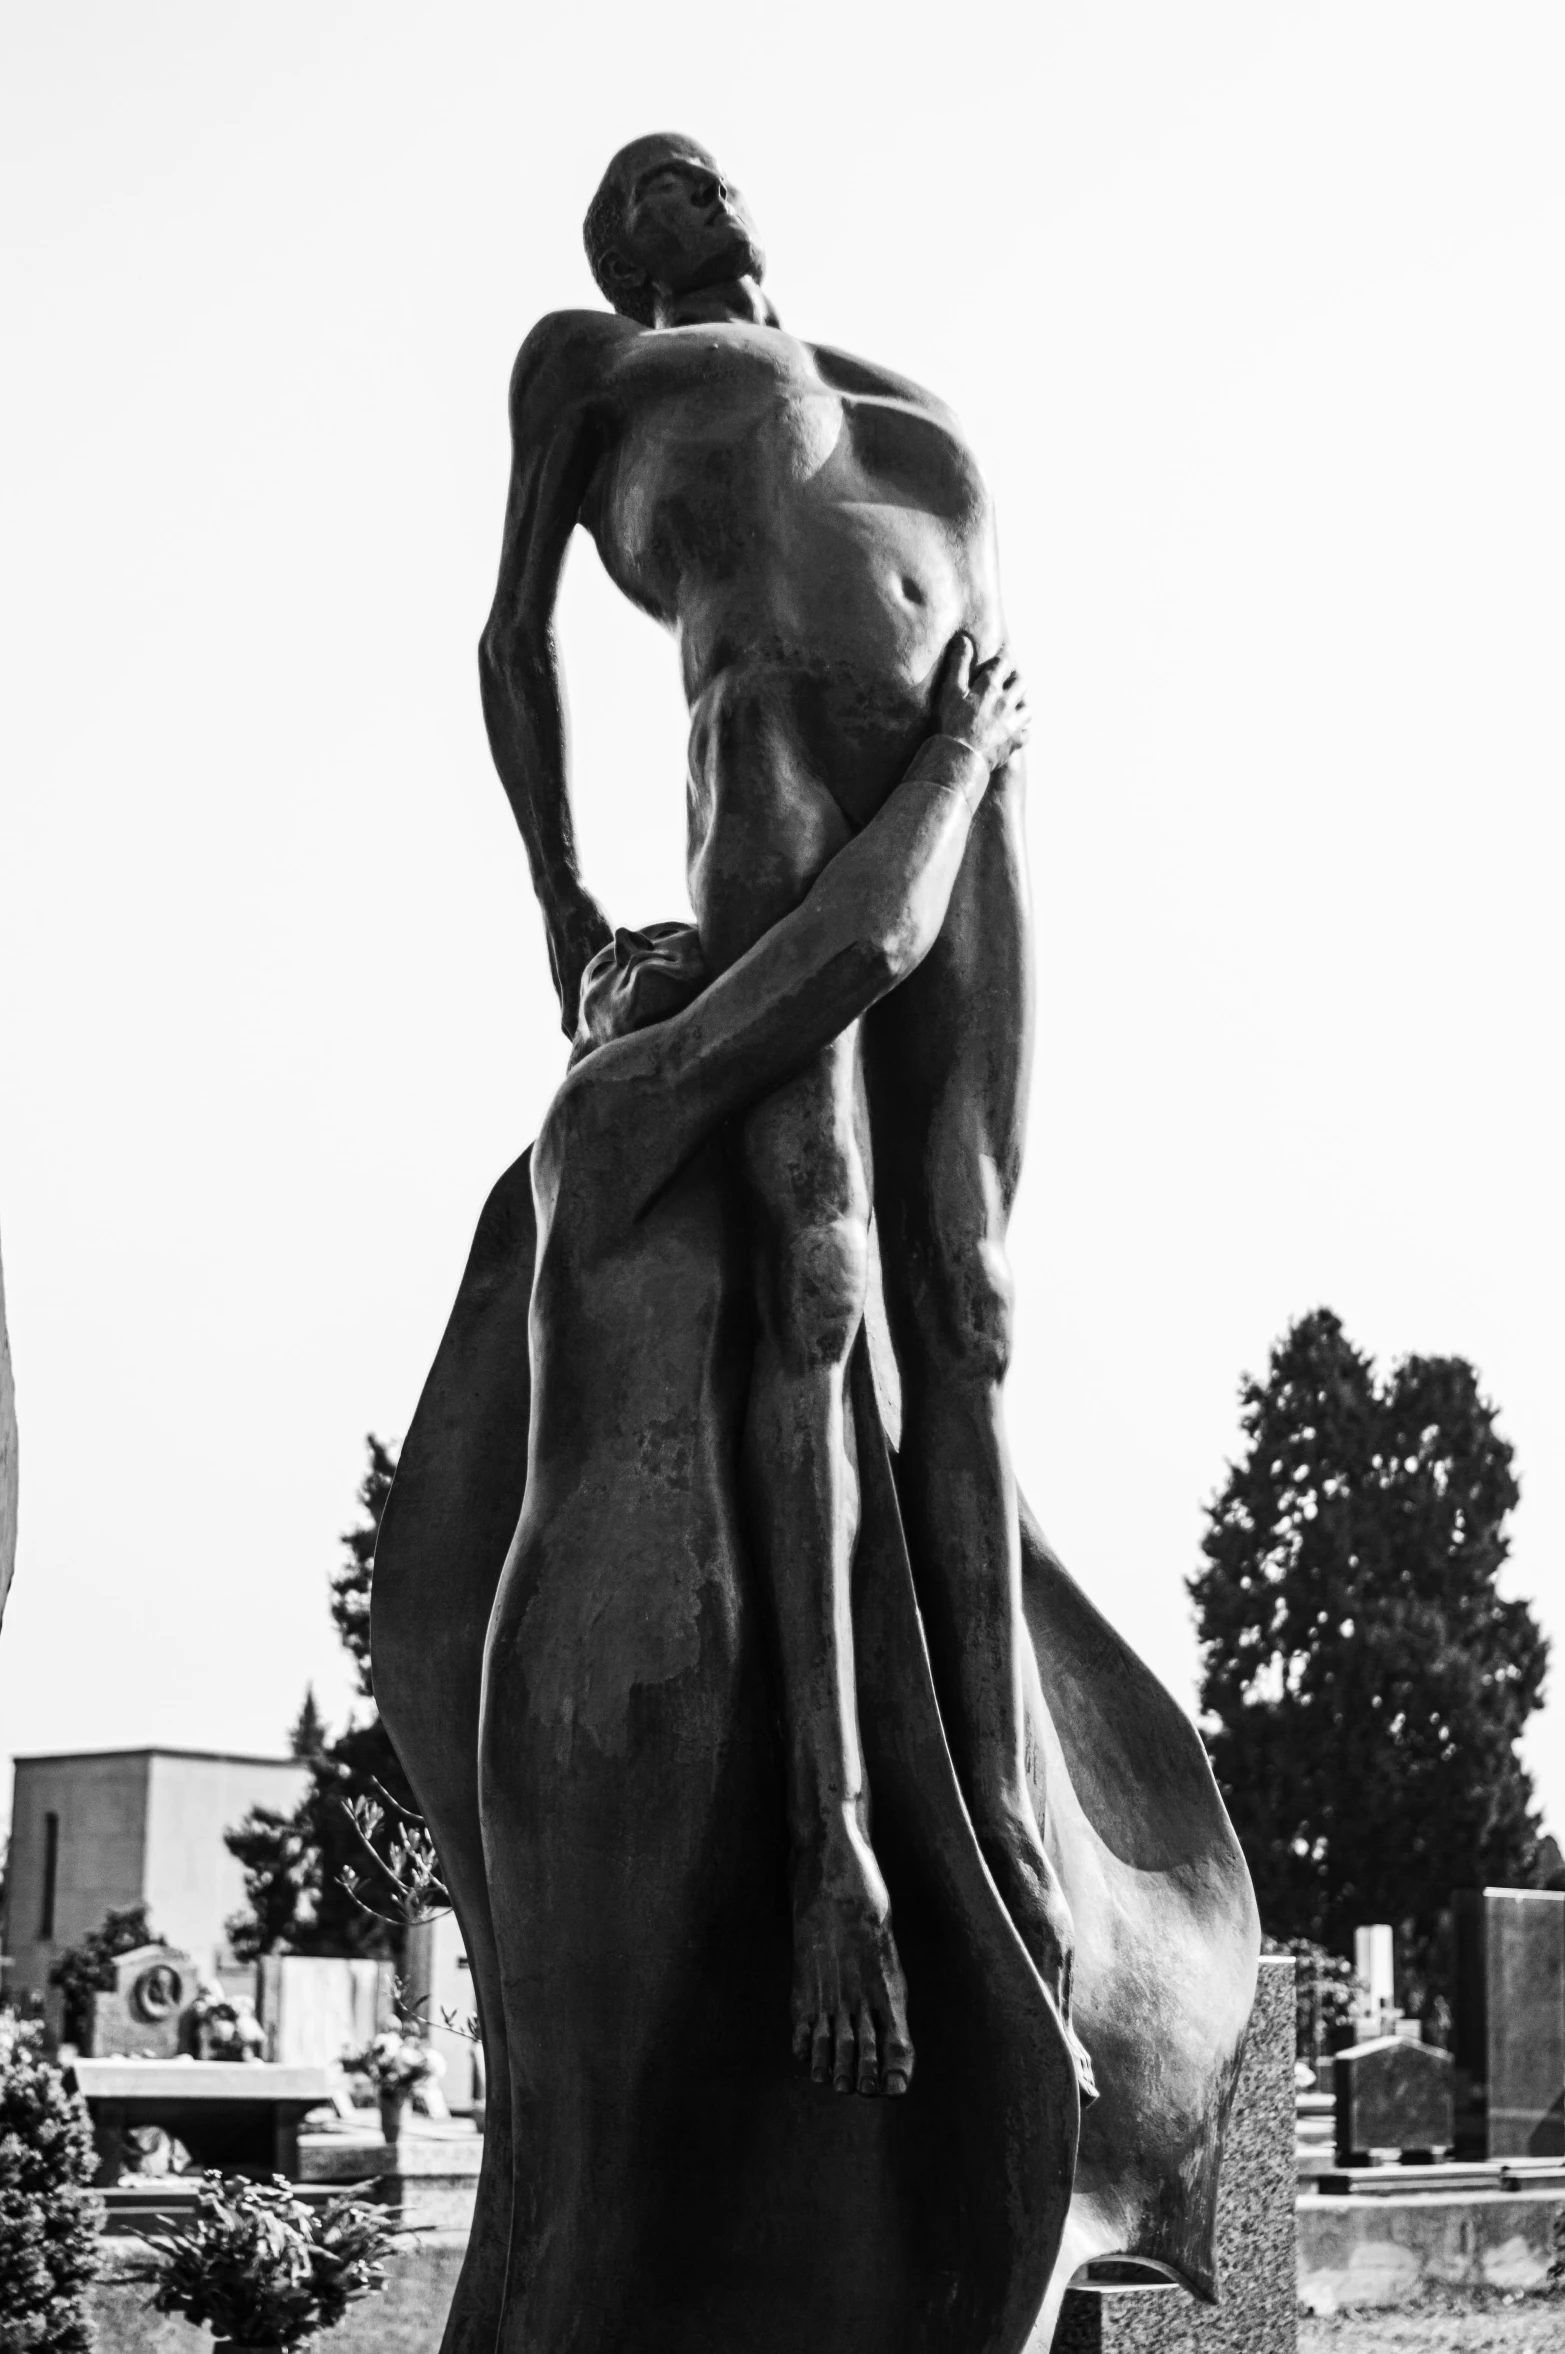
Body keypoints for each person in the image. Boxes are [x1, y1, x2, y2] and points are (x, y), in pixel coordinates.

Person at [478, 136, 1083, 2085]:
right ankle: (832, 1832)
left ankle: (998, 1802)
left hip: (956, 776)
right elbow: (508, 642)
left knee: (968, 1295)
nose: (692, 187)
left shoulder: (905, 404)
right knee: (816, 1292)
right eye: (649, 183)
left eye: (701, 171)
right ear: (614, 252)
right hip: (770, 762)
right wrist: (565, 898)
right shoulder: (590, 363)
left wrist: (972, 764)